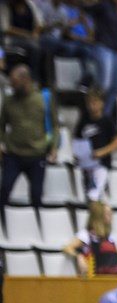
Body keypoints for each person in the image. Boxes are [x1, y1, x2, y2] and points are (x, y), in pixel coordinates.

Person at [0, 64, 56, 208]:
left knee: (36, 195)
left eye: (14, 83)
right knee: (4, 190)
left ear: (25, 80)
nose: (12, 86)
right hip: (13, 154)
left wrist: (53, 147)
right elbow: (1, 125)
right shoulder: (8, 100)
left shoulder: (43, 99)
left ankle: (37, 221)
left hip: (37, 155)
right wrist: (2, 143)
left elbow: (55, 126)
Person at [74, 88, 117, 202]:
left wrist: (101, 152)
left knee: (93, 195)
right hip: (86, 164)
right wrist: (78, 154)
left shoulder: (107, 121)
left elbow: (116, 142)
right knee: (90, 196)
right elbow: (77, 140)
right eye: (89, 102)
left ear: (102, 103)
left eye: (95, 102)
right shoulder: (83, 121)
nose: (92, 105)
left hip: (101, 164)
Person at [83, 0, 117, 116]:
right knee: (105, 83)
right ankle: (92, 111)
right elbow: (85, 9)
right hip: (104, 45)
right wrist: (89, 31)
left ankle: (105, 115)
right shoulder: (104, 5)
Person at [63, 201, 117, 277]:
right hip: (93, 277)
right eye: (108, 214)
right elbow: (67, 248)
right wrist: (79, 256)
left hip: (113, 277)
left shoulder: (110, 236)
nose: (111, 216)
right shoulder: (85, 235)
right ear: (98, 216)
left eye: (111, 213)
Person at [5, 0, 41, 80]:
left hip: (30, 39)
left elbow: (39, 23)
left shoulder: (30, 5)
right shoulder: (7, 6)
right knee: (34, 48)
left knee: (41, 46)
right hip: (12, 39)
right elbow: (6, 28)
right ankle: (33, 79)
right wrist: (26, 34)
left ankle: (38, 80)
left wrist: (35, 33)